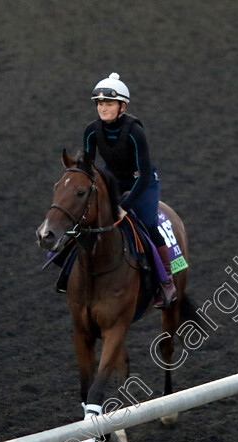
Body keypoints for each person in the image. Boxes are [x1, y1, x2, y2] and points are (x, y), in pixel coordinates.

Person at [83, 72, 176, 307]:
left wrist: (124, 207)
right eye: (100, 104)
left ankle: (167, 281)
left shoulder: (136, 132)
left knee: (149, 224)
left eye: (109, 104)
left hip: (142, 182)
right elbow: (88, 169)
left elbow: (143, 175)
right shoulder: (91, 131)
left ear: (122, 106)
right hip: (113, 179)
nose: (103, 109)